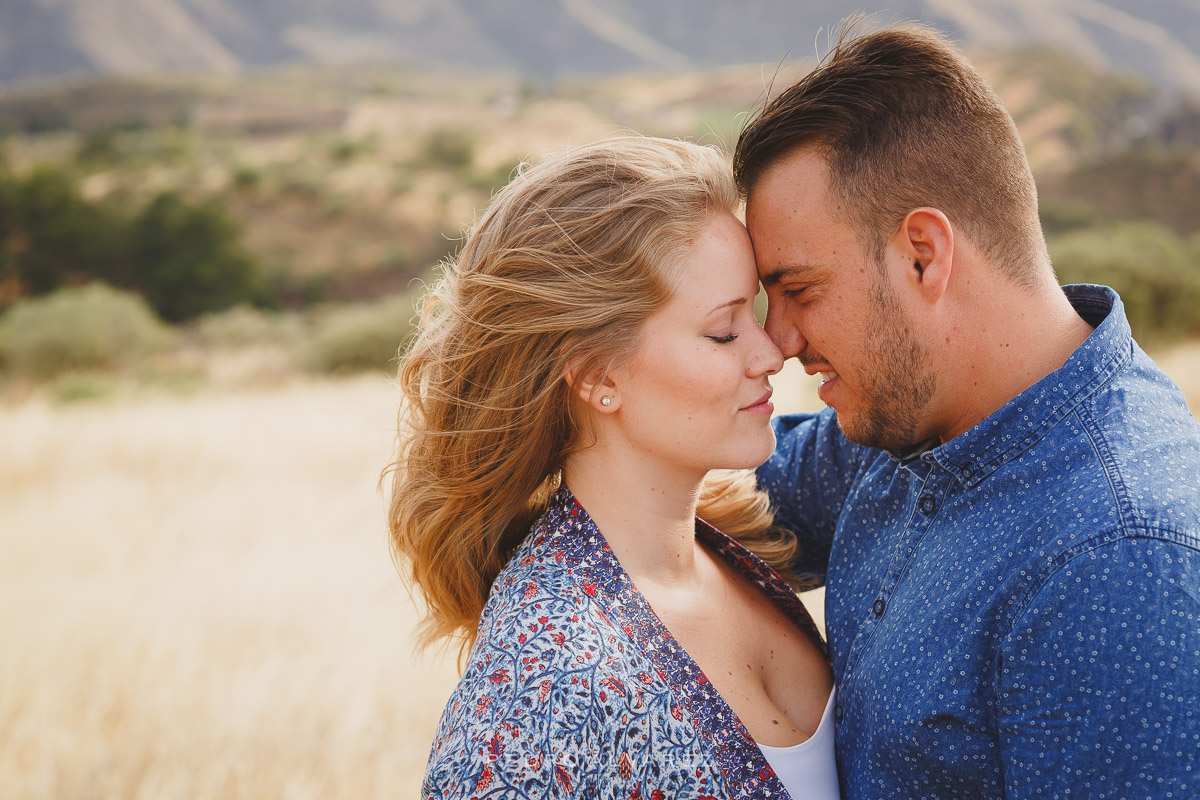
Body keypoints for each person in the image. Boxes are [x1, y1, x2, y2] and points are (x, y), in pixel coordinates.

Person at [733, 22, 1200, 800]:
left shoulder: (1116, 568)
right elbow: (716, 496)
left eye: (800, 290)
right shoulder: (905, 420)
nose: (778, 340)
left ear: (924, 253)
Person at [387, 136, 839, 799]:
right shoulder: (539, 682)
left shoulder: (740, 543)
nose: (771, 352)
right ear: (598, 375)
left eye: (759, 314)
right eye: (723, 330)